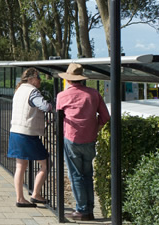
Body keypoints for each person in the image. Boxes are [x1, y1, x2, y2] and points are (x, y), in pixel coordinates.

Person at [55, 63, 110, 221]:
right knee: (87, 174)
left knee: (76, 176)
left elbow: (59, 117)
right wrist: (96, 128)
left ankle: (81, 210)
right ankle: (90, 209)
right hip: (90, 139)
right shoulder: (93, 94)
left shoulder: (62, 96)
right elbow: (105, 117)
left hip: (71, 139)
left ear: (69, 79)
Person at [8, 68, 53, 208]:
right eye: (39, 77)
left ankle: (20, 197)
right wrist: (53, 105)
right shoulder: (33, 92)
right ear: (32, 79)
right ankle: (35, 194)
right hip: (28, 133)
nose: (40, 80)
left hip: (15, 131)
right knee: (46, 163)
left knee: (20, 166)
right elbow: (45, 106)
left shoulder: (19, 90)